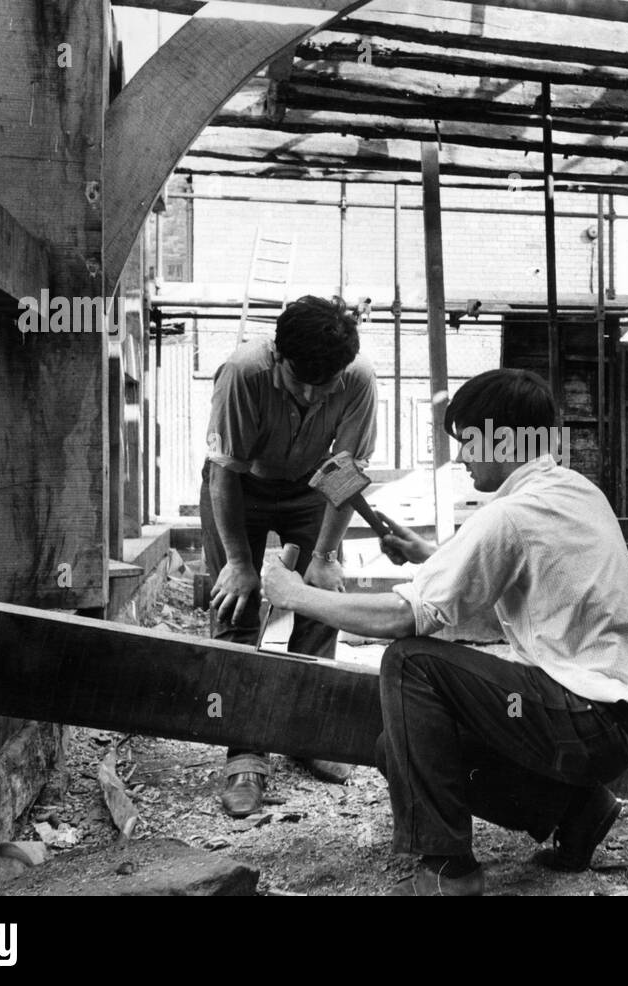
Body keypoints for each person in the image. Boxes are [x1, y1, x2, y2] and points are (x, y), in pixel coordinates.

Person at [261, 368, 628, 895]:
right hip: (610, 729)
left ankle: (448, 869)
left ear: (500, 437)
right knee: (393, 750)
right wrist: (428, 557)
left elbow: (404, 620)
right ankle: (579, 810)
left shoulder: (512, 514)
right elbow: (511, 603)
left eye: (468, 440)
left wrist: (296, 596)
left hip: (582, 718)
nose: (463, 456)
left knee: (409, 662)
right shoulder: (574, 491)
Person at [203, 295, 377, 817]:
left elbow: (345, 470)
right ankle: (244, 753)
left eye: (323, 385)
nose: (308, 392)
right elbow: (223, 473)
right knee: (236, 608)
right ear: (279, 355)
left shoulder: (360, 379)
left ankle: (310, 731)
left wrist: (324, 555)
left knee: (322, 601)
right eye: (299, 379)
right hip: (241, 487)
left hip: (309, 488)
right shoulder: (242, 372)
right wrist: (238, 562)